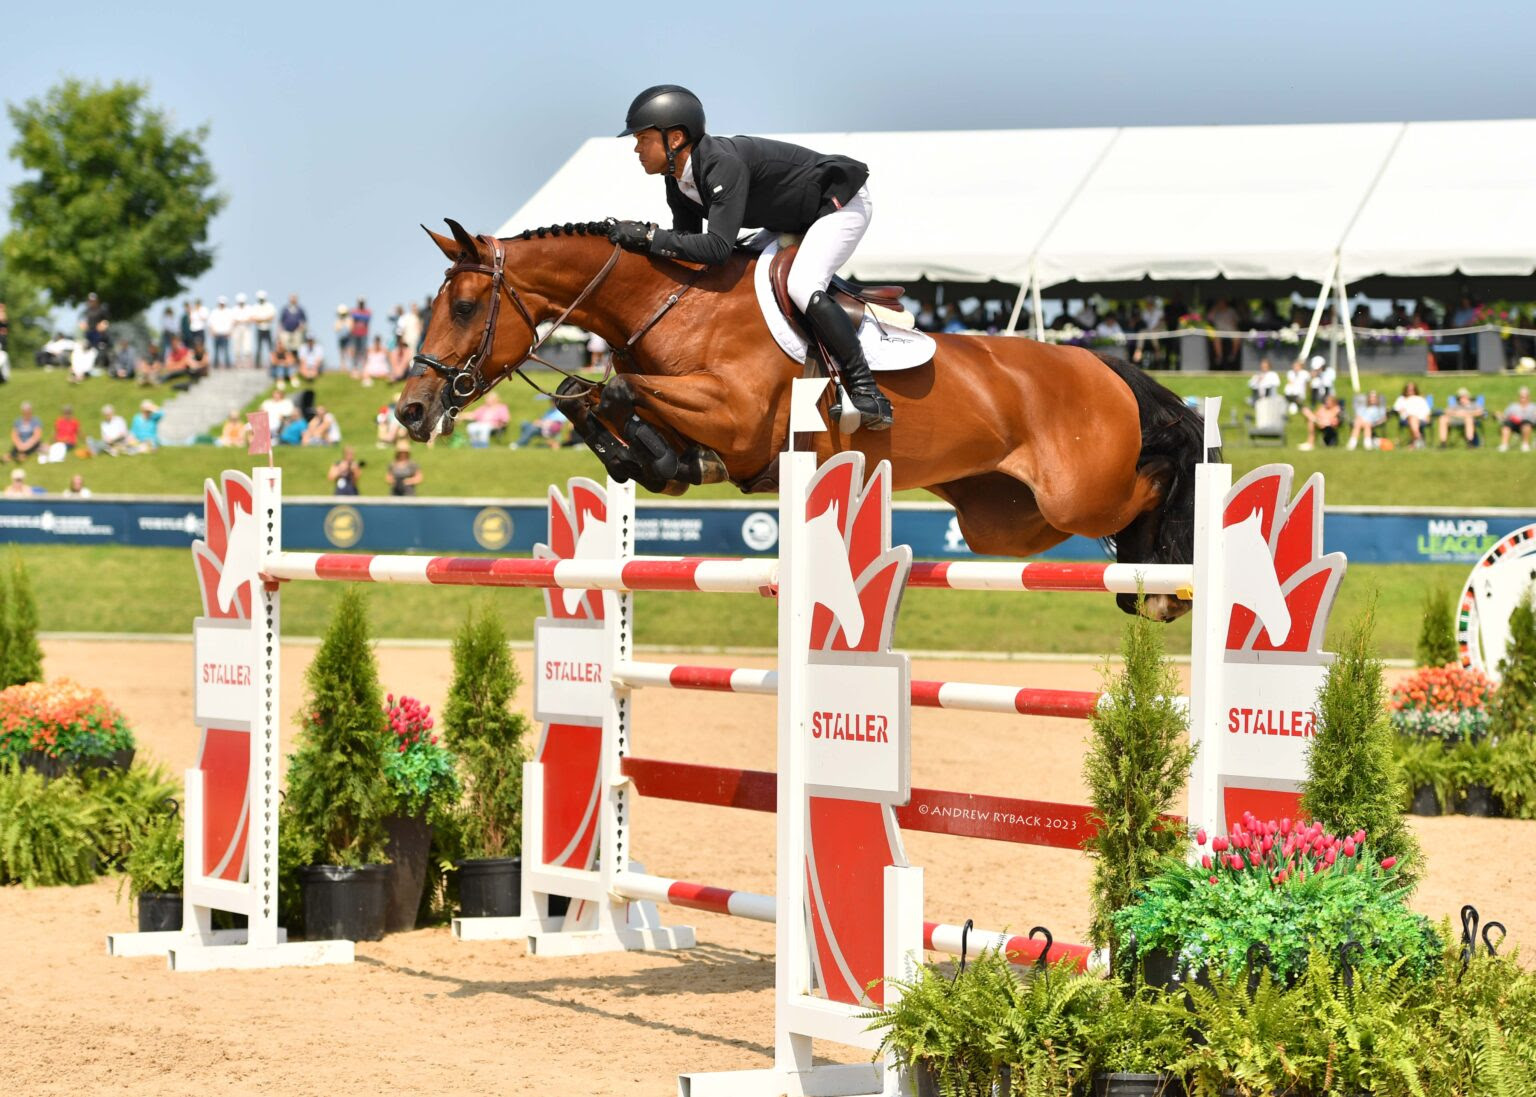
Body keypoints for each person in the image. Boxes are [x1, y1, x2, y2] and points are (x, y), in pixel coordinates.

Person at [607, 84, 890, 430]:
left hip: (837, 204)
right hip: (787, 219)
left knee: (802, 285)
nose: (636, 148)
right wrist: (643, 245)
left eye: (642, 138)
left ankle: (867, 390)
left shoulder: (720, 164)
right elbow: (688, 246)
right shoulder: (677, 180)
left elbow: (716, 248)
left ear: (676, 138)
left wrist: (650, 238)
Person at [1393, 382, 1430, 449]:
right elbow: (1396, 409)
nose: (1410, 391)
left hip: (1420, 418)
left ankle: (1415, 442)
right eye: (1408, 389)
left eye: (1412, 389)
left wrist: (1427, 417)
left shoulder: (1420, 399)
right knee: (1412, 417)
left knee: (1413, 418)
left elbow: (1426, 410)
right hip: (1406, 418)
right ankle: (1418, 438)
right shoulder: (1401, 399)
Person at [1498, 387, 1536, 452]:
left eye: (1525, 397)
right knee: (1506, 426)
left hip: (1527, 424)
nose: (1523, 399)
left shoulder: (1533, 406)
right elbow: (1505, 416)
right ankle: (1504, 445)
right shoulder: (1512, 406)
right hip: (1514, 424)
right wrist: (1499, 415)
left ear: (1528, 397)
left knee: (1526, 424)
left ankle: (1525, 445)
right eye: (1521, 397)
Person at [251, 290, 277, 371]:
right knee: (259, 347)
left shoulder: (270, 306)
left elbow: (272, 317)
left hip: (268, 329)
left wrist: (261, 319)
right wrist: (264, 319)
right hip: (259, 329)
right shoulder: (255, 306)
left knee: (270, 347)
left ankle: (273, 363)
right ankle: (257, 364)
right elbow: (254, 318)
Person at [207, 296, 235, 368]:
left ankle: (228, 365)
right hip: (217, 334)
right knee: (216, 351)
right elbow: (210, 323)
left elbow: (232, 322)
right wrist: (212, 331)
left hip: (225, 333)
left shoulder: (229, 311)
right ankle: (216, 365)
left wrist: (230, 331)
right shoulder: (214, 311)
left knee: (226, 350)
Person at [349, 298, 372, 373]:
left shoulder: (367, 312)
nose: (361, 304)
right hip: (355, 334)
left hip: (364, 334)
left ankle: (363, 367)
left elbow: (367, 320)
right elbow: (352, 320)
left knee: (363, 350)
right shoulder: (354, 311)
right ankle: (355, 367)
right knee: (355, 350)